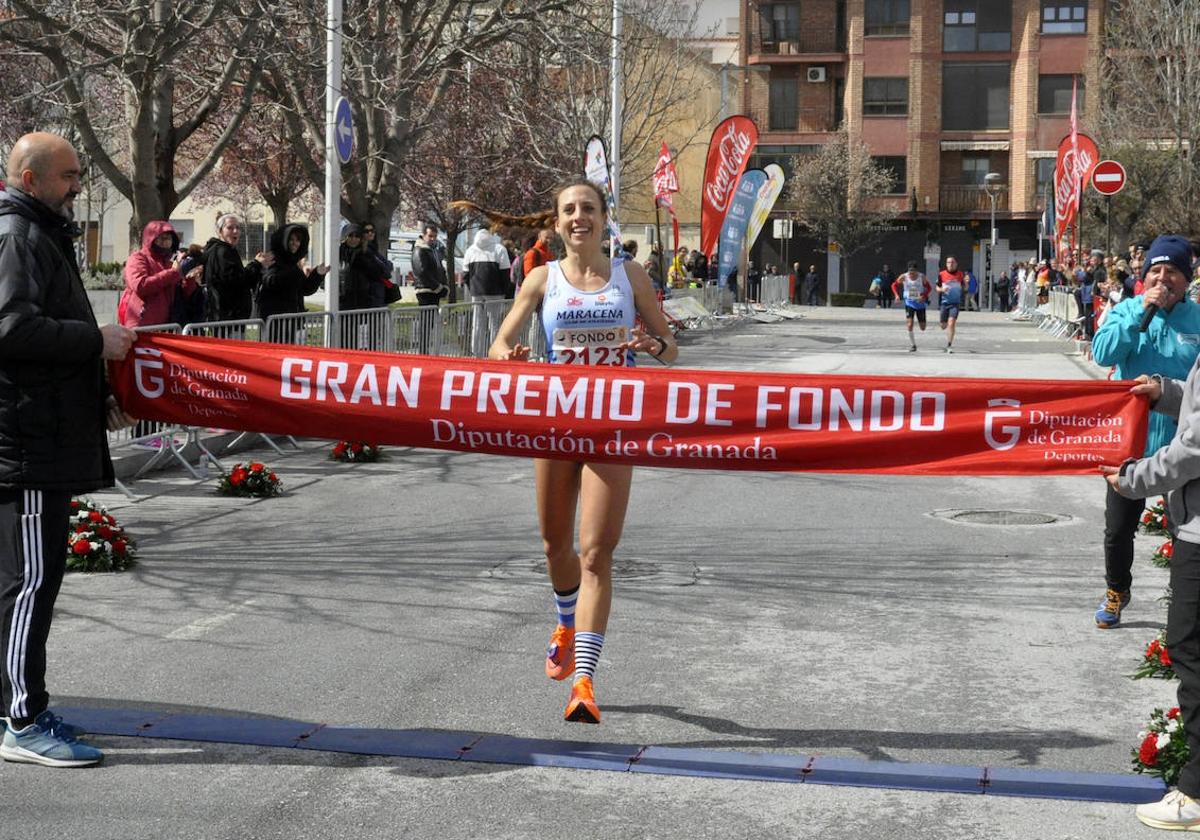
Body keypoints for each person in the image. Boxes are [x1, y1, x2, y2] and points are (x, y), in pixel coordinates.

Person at [481, 179, 678, 724]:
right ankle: (565, 621)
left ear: (604, 217)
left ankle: (585, 681)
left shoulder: (628, 275)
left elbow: (671, 350)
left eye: (588, 208)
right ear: (558, 221)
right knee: (554, 545)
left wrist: (651, 345)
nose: (578, 218)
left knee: (596, 552)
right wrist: (510, 357)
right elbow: (498, 346)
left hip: (614, 424)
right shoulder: (542, 278)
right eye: (569, 210)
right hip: (554, 420)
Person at [0, 132, 136, 767]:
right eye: (69, 176)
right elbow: (13, 330)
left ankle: (16, 705)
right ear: (31, 179)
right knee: (31, 582)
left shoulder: (34, 232)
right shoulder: (18, 236)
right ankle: (23, 722)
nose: (78, 185)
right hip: (26, 444)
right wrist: (95, 344)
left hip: (37, 434)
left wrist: (94, 395)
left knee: (20, 583)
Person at [1092, 235, 1200, 631]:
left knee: (1187, 534)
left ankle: (1185, 605)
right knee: (1118, 530)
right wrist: (1139, 318)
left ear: (1186, 280)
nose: (1163, 279)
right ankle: (1117, 591)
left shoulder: (1198, 320)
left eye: (1172, 272)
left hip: (1184, 447)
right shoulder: (1127, 310)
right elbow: (1102, 353)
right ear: (1143, 277)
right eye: (1155, 271)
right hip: (1131, 443)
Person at [118, 221, 201, 328]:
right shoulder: (138, 258)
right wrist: (173, 273)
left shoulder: (170, 263)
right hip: (141, 325)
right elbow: (140, 285)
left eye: (168, 238)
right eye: (160, 238)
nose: (165, 242)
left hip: (168, 326)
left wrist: (189, 279)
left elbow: (183, 294)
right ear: (150, 239)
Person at [257, 224, 328, 344]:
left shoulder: (293, 263)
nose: (295, 243)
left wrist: (317, 274)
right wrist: (291, 273)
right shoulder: (273, 260)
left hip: (296, 321)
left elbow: (305, 289)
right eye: (291, 239)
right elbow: (269, 281)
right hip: (277, 324)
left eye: (298, 240)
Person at [201, 214, 272, 322]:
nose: (235, 231)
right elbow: (236, 280)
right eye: (230, 228)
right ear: (220, 231)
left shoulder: (228, 250)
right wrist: (256, 264)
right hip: (227, 318)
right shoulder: (222, 252)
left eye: (238, 228)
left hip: (231, 317)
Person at [464, 228, 511, 357]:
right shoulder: (499, 249)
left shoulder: (470, 250)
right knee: (495, 324)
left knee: (477, 324)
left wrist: (472, 288)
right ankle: (494, 354)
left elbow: (465, 274)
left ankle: (476, 354)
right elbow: (505, 273)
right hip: (495, 293)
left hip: (476, 292)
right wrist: (504, 291)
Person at [411, 223, 449, 354]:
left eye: (435, 236)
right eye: (430, 236)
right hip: (425, 291)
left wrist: (444, 286)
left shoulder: (433, 250)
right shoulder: (419, 250)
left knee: (430, 324)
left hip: (434, 291)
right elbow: (422, 271)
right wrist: (437, 287)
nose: (433, 239)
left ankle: (426, 350)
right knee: (425, 324)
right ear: (424, 235)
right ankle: (423, 352)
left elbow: (440, 269)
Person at [891, 260, 932, 352]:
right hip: (909, 302)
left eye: (914, 272)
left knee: (923, 327)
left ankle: (921, 321)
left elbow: (929, 288)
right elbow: (894, 285)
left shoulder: (922, 277)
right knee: (909, 324)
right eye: (910, 272)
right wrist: (897, 295)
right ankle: (913, 345)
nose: (912, 275)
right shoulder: (904, 277)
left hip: (920, 303)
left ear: (917, 271)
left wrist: (924, 296)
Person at [936, 255, 965, 353]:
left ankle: (949, 345)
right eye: (948, 262)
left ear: (956, 264)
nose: (950, 264)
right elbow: (937, 288)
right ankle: (945, 326)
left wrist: (967, 284)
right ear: (946, 264)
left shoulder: (960, 275)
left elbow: (965, 288)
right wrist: (941, 289)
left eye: (952, 262)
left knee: (951, 323)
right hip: (944, 303)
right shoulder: (941, 274)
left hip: (955, 303)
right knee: (943, 326)